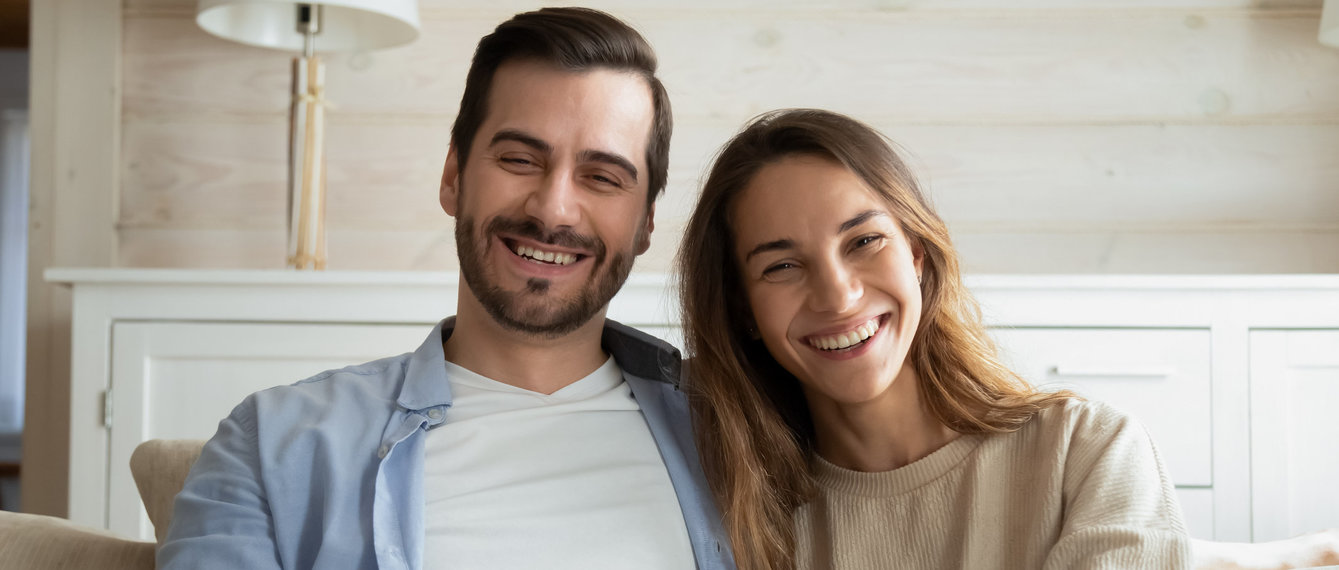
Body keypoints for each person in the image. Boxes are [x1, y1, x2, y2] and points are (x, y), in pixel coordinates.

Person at [159, 8, 731, 569]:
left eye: (602, 178)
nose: (554, 208)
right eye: (519, 159)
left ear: (647, 223)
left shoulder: (738, 434)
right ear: (454, 177)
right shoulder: (270, 445)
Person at [676, 108, 1191, 570]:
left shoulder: (1088, 452)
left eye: (864, 241)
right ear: (742, 308)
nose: (838, 296)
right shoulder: (730, 520)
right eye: (782, 265)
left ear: (917, 256)